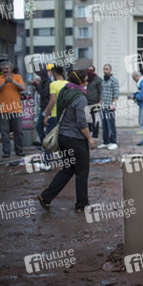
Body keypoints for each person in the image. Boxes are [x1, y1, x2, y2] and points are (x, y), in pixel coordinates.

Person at [37, 70, 95, 213]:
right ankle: (82, 205)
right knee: (82, 172)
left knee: (68, 169)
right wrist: (90, 138)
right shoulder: (80, 97)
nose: (87, 83)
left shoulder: (65, 90)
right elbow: (81, 122)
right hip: (75, 139)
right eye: (86, 80)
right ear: (81, 82)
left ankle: (46, 196)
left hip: (63, 136)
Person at [0, 61, 25, 158]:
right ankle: (6, 152)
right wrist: (5, 82)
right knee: (4, 133)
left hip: (16, 109)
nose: (5, 70)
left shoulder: (17, 77)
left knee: (18, 131)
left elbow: (22, 87)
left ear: (11, 69)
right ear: (1, 69)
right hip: (3, 110)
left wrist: (12, 81)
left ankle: (19, 151)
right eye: (3, 68)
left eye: (7, 68)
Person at [98, 64, 119, 150]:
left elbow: (116, 93)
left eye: (107, 69)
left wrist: (113, 104)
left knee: (111, 124)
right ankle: (106, 141)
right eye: (104, 69)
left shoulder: (114, 80)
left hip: (110, 106)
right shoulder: (103, 80)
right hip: (103, 105)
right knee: (104, 124)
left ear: (110, 70)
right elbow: (101, 93)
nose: (105, 71)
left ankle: (113, 141)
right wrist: (99, 102)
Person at [34, 68, 51, 145]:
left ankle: (46, 143)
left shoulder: (47, 83)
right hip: (43, 107)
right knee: (40, 127)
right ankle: (44, 143)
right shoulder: (43, 82)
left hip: (47, 108)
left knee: (42, 127)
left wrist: (37, 86)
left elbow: (44, 94)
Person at [85, 65, 102, 138]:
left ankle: (95, 134)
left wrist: (100, 102)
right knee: (88, 118)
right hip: (87, 102)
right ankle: (89, 132)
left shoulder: (98, 80)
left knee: (95, 119)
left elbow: (101, 91)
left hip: (95, 102)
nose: (89, 72)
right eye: (88, 70)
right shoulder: (86, 80)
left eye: (91, 70)